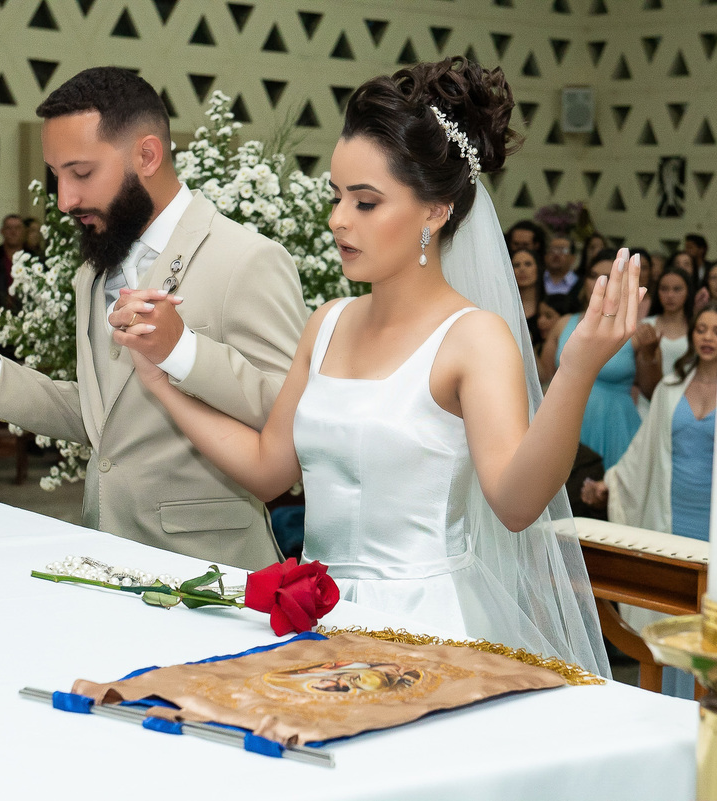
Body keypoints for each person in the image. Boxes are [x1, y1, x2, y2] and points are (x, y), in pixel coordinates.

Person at [112, 58, 623, 674]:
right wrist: (159, 377)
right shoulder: (327, 323)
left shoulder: (473, 339)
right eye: (336, 196)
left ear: (435, 211)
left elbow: (515, 504)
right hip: (321, 618)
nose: (337, 219)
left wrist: (577, 369)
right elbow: (270, 471)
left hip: (432, 630)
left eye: (366, 202)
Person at [0, 67, 308, 571]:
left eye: (81, 173)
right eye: (56, 175)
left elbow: (295, 422)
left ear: (147, 155)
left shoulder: (248, 259)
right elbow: (106, 420)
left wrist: (184, 353)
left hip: (215, 571)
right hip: (106, 557)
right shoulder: (93, 270)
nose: (65, 200)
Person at [581, 303, 717, 700]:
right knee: (673, 621)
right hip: (672, 520)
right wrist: (610, 483)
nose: (708, 337)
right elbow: (643, 451)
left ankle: (710, 712)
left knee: (712, 624)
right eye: (702, 329)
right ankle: (671, 705)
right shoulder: (671, 389)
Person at [541, 251, 661, 468]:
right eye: (593, 275)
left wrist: (650, 354)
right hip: (565, 421)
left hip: (614, 429)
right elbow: (545, 379)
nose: (599, 282)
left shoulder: (635, 331)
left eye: (608, 276)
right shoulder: (563, 323)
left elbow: (651, 390)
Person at [643, 267, 693, 376]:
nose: (670, 295)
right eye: (664, 289)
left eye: (677, 289)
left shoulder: (696, 328)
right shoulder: (645, 326)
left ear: (688, 292)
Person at [512, 247, 546, 348]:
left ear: (538, 268)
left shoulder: (550, 305)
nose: (522, 269)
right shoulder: (504, 306)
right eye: (516, 265)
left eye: (528, 264)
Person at [542, 235, 578, 305]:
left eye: (563, 250)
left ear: (572, 258)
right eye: (552, 250)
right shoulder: (536, 279)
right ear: (545, 256)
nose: (556, 255)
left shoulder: (581, 284)